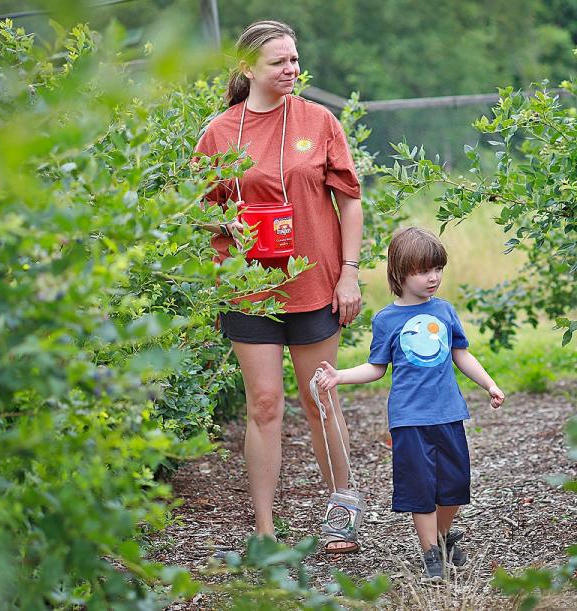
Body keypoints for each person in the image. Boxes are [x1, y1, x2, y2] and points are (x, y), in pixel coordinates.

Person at [194, 20, 364, 554]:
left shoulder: (319, 120)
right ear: (248, 69)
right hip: (248, 289)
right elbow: (199, 209)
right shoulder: (220, 132)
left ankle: (343, 507)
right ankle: (265, 531)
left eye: (294, 60)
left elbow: (350, 200)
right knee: (264, 404)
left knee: (320, 398)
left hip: (315, 283)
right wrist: (231, 227)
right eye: (279, 62)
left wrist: (350, 270)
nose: (291, 70)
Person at [316, 227, 505, 581]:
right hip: (408, 420)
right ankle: (430, 553)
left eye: (438, 269)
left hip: (449, 414)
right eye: (423, 271)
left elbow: (460, 355)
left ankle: (443, 536)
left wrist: (489, 384)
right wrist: (340, 375)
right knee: (420, 487)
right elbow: (376, 367)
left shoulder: (445, 312)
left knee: (454, 486)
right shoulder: (387, 320)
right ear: (400, 272)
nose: (433, 277)